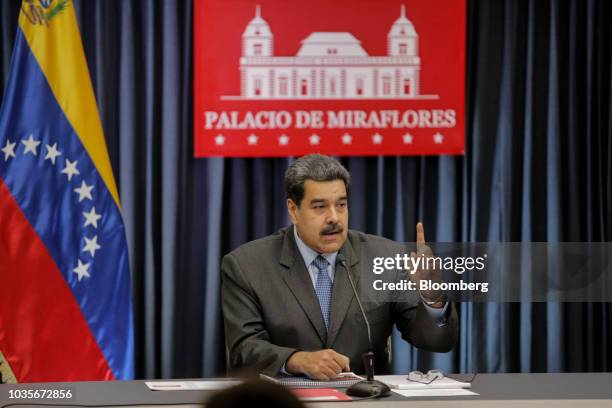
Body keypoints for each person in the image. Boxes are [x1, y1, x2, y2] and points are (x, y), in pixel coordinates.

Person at [221, 154, 458, 380]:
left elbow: (438, 342)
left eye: (341, 205)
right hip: (285, 399)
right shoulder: (247, 266)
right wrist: (297, 360)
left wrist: (433, 296)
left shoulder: (384, 257)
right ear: (293, 210)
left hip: (365, 399)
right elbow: (244, 350)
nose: (334, 217)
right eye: (320, 207)